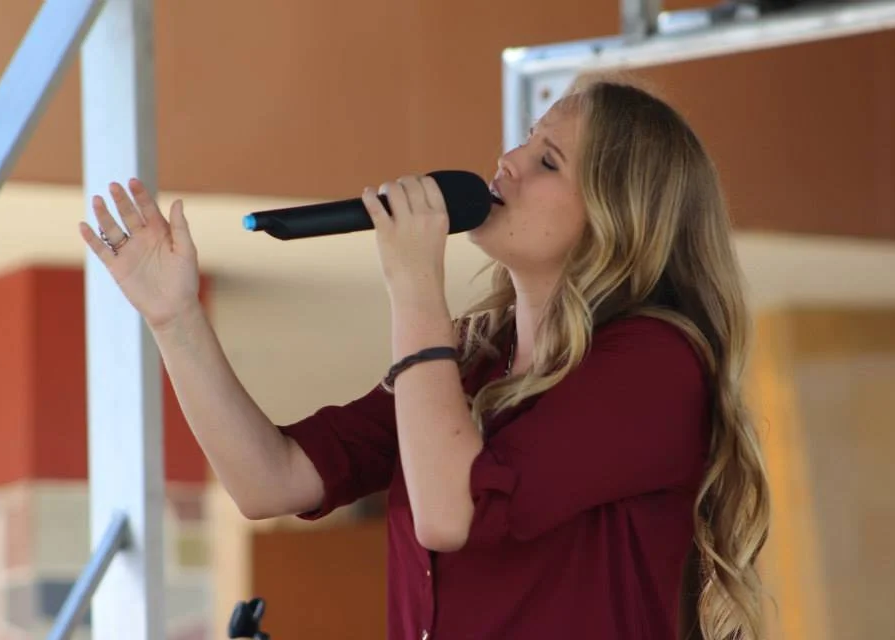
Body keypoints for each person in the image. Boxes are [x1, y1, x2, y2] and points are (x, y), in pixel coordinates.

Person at [79, 77, 771, 640]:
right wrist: (174, 317)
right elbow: (273, 480)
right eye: (526, 139)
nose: (508, 161)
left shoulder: (656, 364)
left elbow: (451, 511)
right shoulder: (471, 362)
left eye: (548, 161)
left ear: (620, 218)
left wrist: (414, 284)